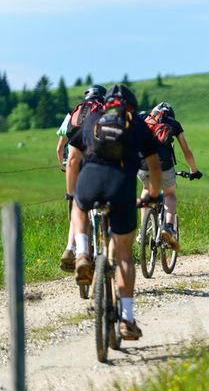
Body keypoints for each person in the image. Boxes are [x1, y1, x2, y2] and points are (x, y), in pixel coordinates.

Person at [67, 84, 162, 340]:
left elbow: (73, 159)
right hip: (121, 186)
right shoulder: (137, 123)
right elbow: (154, 165)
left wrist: (72, 192)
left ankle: (83, 253)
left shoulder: (93, 119)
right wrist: (152, 194)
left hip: (90, 180)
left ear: (107, 103)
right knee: (123, 255)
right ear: (130, 105)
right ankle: (127, 319)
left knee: (78, 206)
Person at [137, 102, 202, 251]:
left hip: (142, 164)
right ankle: (169, 228)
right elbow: (186, 151)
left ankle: (143, 231)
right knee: (170, 194)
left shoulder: (143, 119)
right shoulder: (173, 124)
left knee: (146, 188)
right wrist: (193, 170)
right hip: (164, 165)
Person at [57, 85, 106, 272]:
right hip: (96, 163)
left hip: (74, 162)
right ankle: (104, 247)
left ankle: (72, 247)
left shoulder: (73, 113)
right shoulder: (102, 111)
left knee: (77, 206)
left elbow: (59, 148)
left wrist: (64, 166)